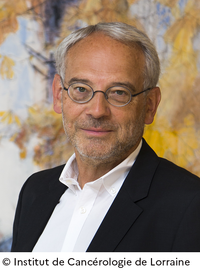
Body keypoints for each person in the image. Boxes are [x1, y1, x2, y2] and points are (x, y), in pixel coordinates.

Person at [11, 22, 200, 252]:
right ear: (59, 95)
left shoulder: (189, 206)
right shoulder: (35, 191)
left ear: (150, 106)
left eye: (119, 92)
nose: (98, 110)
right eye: (81, 89)